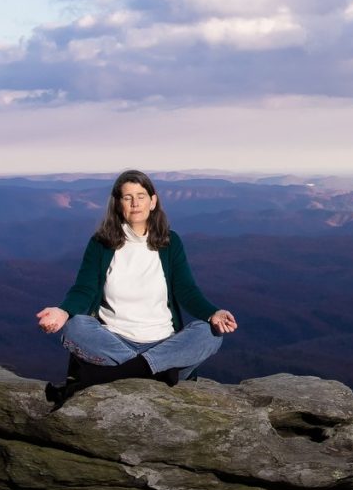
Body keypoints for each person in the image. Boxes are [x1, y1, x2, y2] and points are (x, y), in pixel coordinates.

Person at [36, 169, 237, 406]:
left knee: (210, 333)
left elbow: (187, 290)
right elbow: (84, 289)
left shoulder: (170, 243)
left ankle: (112, 375)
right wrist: (63, 311)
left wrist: (213, 313)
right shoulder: (100, 244)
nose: (135, 203)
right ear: (118, 203)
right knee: (76, 325)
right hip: (114, 342)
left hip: (164, 342)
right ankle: (158, 374)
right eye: (127, 197)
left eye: (141, 196)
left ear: (153, 201)